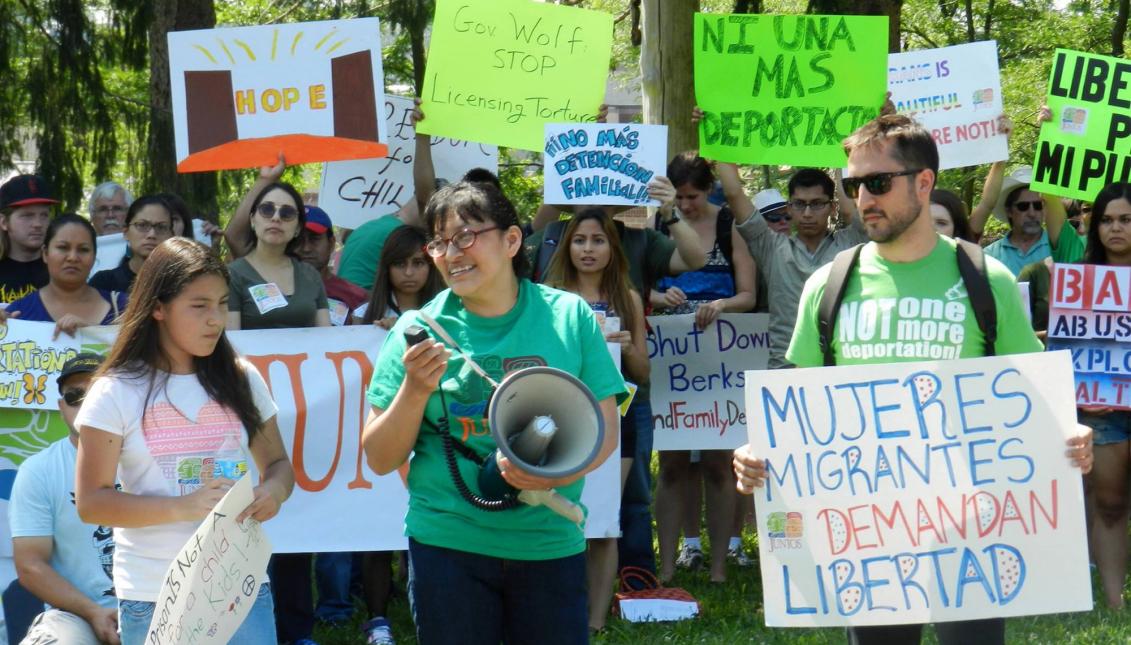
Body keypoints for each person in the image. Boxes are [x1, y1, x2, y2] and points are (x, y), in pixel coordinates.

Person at [732, 113, 1094, 645]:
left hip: (973, 533)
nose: (864, 199)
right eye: (854, 185)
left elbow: (1033, 399)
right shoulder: (829, 286)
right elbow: (798, 411)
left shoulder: (984, 278)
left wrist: (1072, 436)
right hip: (868, 540)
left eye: (878, 183)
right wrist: (757, 451)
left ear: (924, 183)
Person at [362, 178, 624, 644]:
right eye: (440, 243)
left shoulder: (569, 316)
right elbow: (381, 458)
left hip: (548, 541)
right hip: (447, 545)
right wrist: (416, 391)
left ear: (511, 240)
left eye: (466, 236)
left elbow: (604, 427)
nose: (452, 253)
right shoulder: (415, 329)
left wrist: (550, 477)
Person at [74, 238, 295, 645]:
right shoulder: (114, 391)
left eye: (222, 304)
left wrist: (272, 493)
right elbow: (91, 503)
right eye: (199, 306)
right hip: (153, 594)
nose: (216, 320)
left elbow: (280, 465)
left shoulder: (242, 378)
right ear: (158, 308)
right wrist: (183, 506)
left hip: (240, 588)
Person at [226, 180, 329, 644]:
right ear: (252, 217)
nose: (275, 217)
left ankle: (298, 630)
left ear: (295, 228)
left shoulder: (310, 277)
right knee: (255, 513)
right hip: (251, 416)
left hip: (309, 415)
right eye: (266, 208)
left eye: (286, 213)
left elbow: (330, 345)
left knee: (301, 516)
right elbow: (229, 348)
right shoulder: (232, 275)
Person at [651, 152, 756, 584]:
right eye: (679, 197)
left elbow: (748, 293)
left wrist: (721, 304)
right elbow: (636, 285)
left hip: (721, 361)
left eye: (693, 196)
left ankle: (718, 567)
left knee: (718, 463)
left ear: (708, 189)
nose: (687, 205)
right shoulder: (656, 223)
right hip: (670, 359)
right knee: (673, 466)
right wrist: (659, 300)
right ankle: (670, 564)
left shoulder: (730, 223)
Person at [543, 207, 649, 632]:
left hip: (616, 420)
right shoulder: (546, 296)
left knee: (604, 517)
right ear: (567, 247)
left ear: (613, 247)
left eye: (598, 240)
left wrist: (625, 347)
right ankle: (554, 610)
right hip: (559, 420)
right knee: (557, 516)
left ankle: (595, 620)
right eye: (580, 240)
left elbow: (643, 372)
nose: (588, 249)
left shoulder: (630, 297)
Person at [10, 353, 117, 645]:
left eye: (97, 394)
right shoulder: (39, 470)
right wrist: (93, 612)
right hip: (77, 616)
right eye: (74, 397)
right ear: (61, 407)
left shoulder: (150, 459)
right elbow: (30, 565)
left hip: (159, 608)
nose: (86, 405)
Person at [6, 214, 127, 337]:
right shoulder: (18, 313)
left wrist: (92, 334)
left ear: (94, 256)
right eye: (63, 248)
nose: (73, 257)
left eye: (83, 249)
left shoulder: (123, 308)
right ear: (45, 253)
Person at [977, 165, 1084, 275]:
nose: (1032, 213)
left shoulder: (1062, 246)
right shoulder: (990, 256)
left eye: (1038, 206)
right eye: (1023, 206)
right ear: (1009, 211)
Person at [357, 225, 442, 328]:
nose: (408, 272)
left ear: (431, 266)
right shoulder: (361, 315)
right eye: (399, 264)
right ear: (387, 267)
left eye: (418, 263)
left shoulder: (448, 312)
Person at [295, 205, 368, 326]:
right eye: (298, 240)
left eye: (314, 239)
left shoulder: (357, 297)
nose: (306, 248)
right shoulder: (272, 290)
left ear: (331, 243)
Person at [88, 195, 174, 294]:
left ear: (171, 235)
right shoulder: (104, 283)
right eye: (142, 225)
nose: (152, 234)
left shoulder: (182, 282)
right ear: (125, 232)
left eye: (161, 227)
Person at [0, 174, 57, 304]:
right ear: (4, 222)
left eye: (44, 215)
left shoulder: (60, 268)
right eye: (27, 216)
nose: (38, 224)